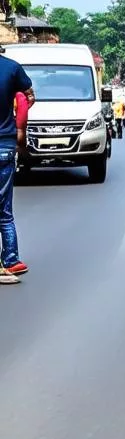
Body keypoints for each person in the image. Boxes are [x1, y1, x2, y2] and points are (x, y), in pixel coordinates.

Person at [0, 49, 33, 282]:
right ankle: (11, 260)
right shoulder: (12, 68)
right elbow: (29, 96)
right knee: (4, 209)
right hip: (4, 145)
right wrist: (18, 125)